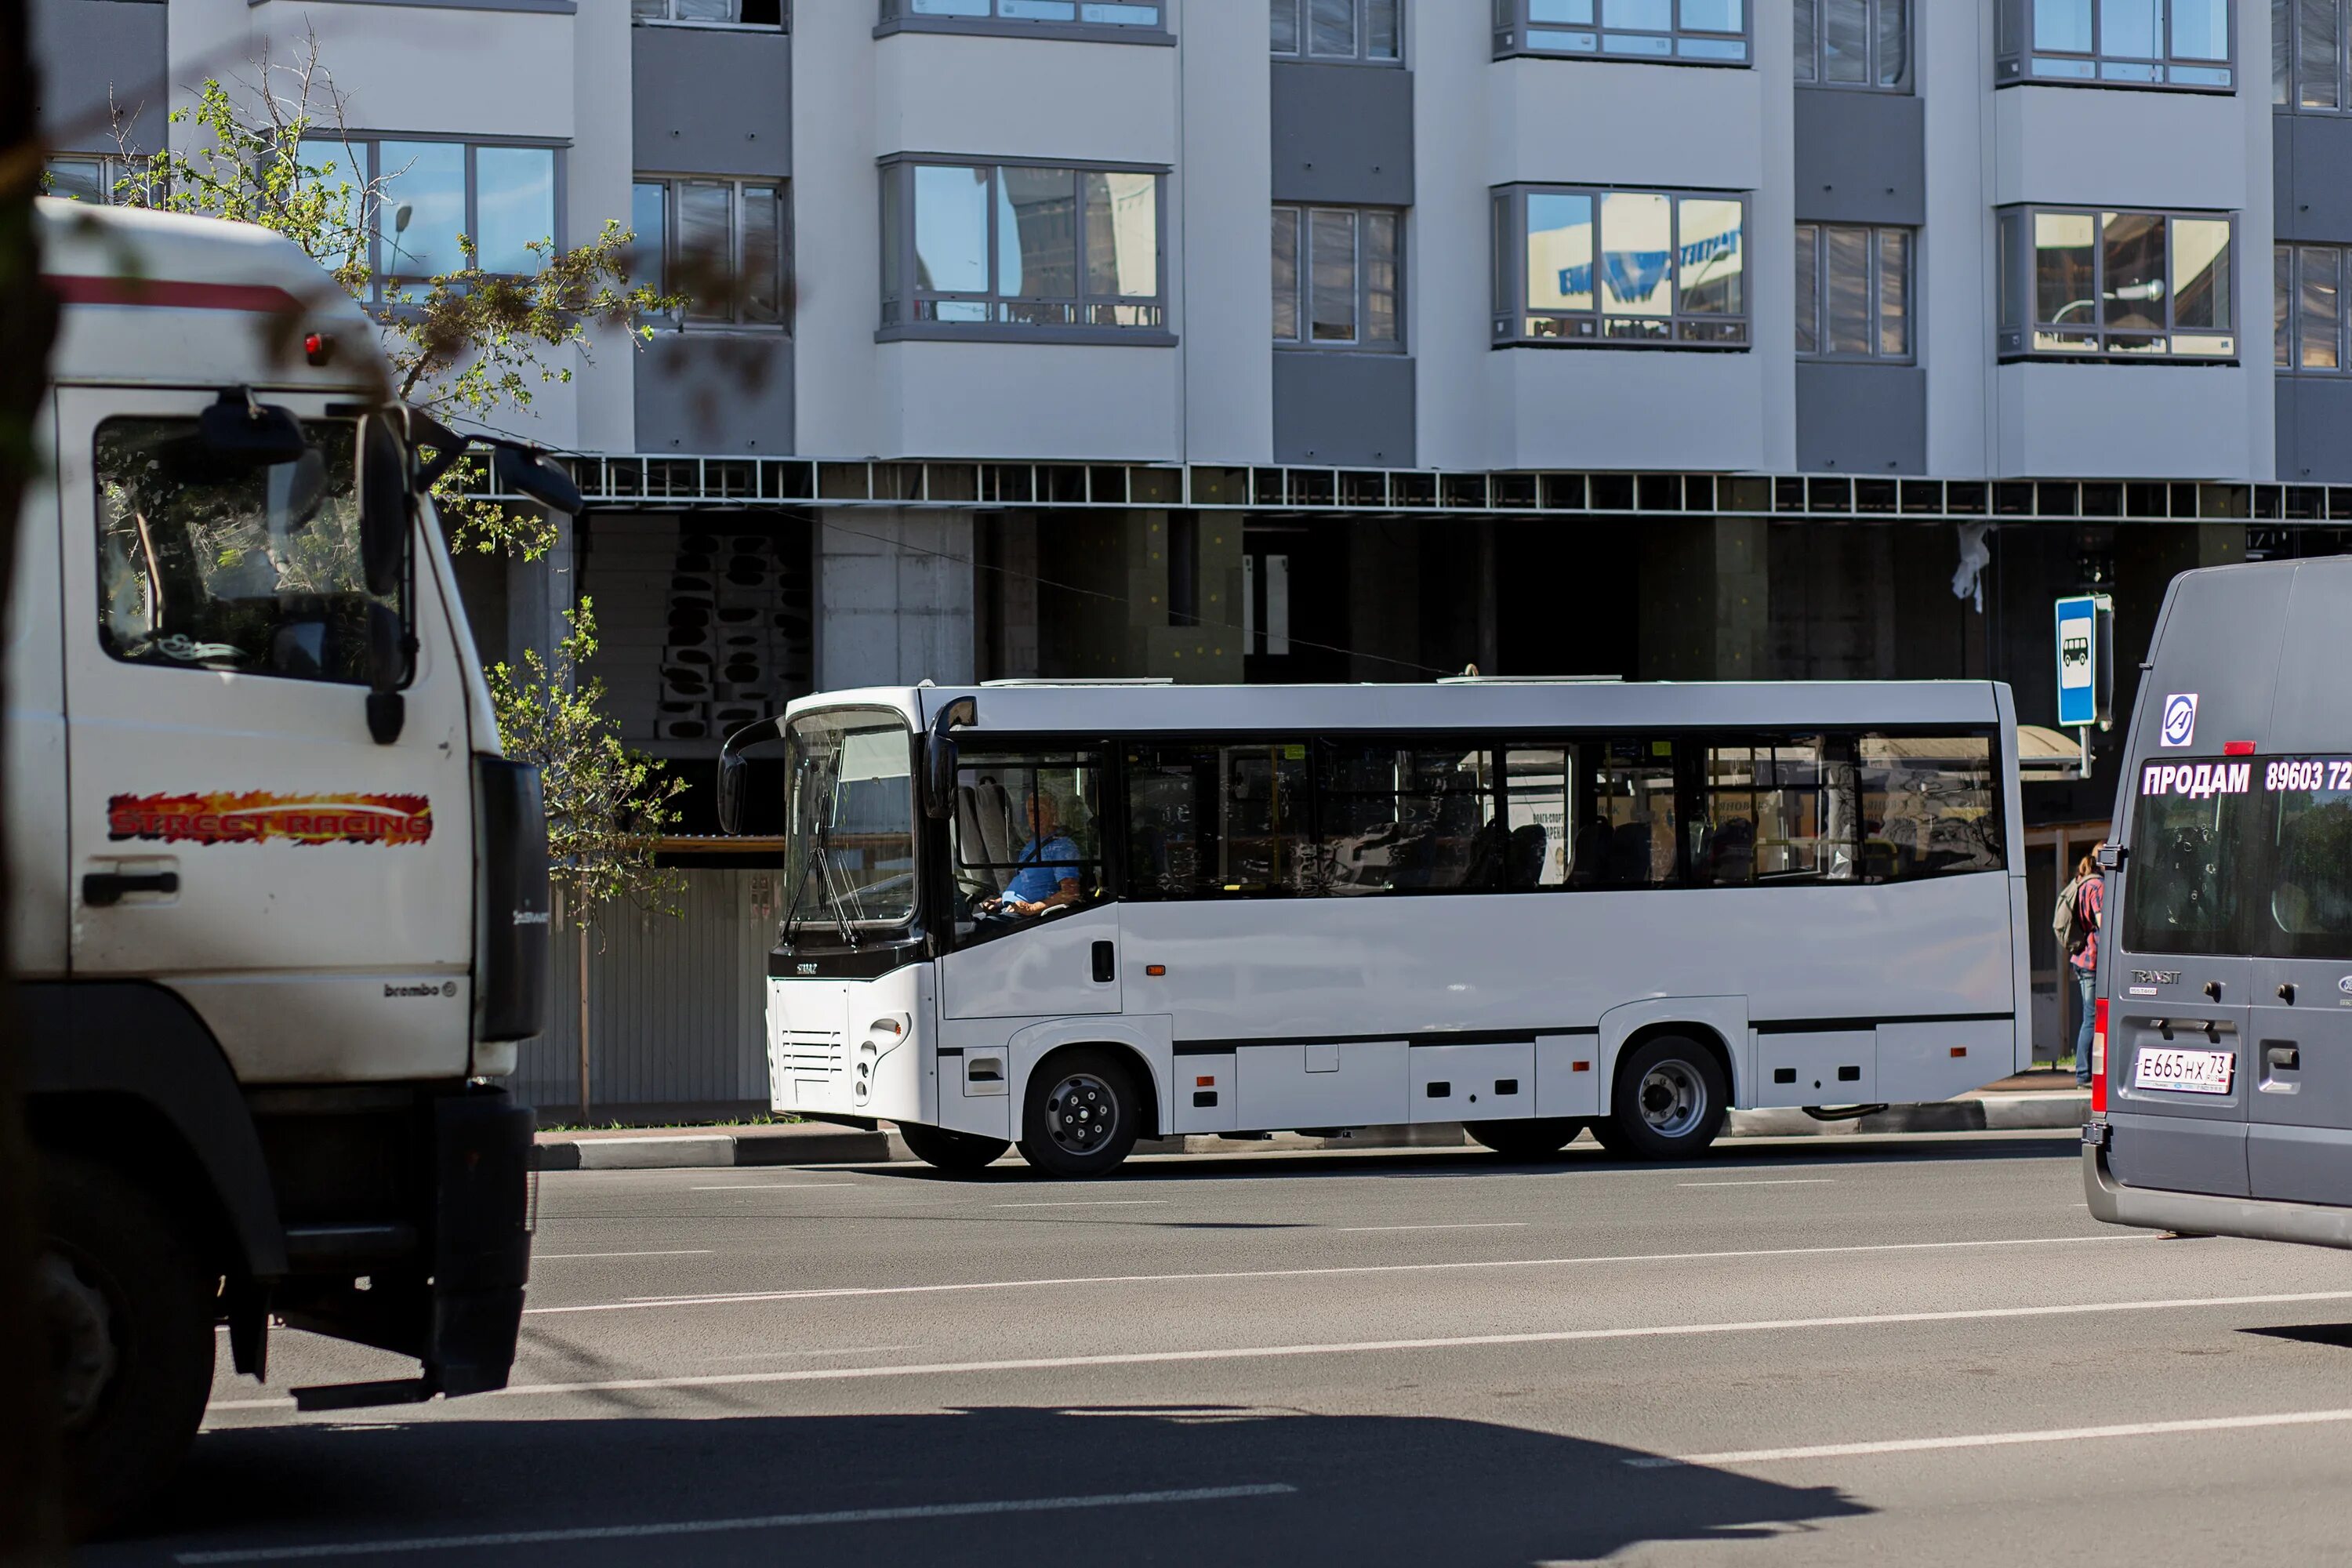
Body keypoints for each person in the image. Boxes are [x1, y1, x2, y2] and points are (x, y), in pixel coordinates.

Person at [978, 787, 1084, 920]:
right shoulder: (1032, 844)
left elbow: (1070, 893)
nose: (1035, 817)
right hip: (1009, 908)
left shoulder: (1061, 846)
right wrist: (999, 901)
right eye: (1030, 811)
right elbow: (1026, 883)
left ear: (1053, 812)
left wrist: (1032, 908)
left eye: (1039, 811)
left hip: (1031, 918)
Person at [2060, 849, 2105, 1087]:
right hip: (2092, 959)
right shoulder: (2097, 885)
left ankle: (2085, 1072)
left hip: (2081, 958)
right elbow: (2102, 922)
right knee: (2092, 1018)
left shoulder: (2082, 882)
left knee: (2089, 1017)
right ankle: (2084, 1074)